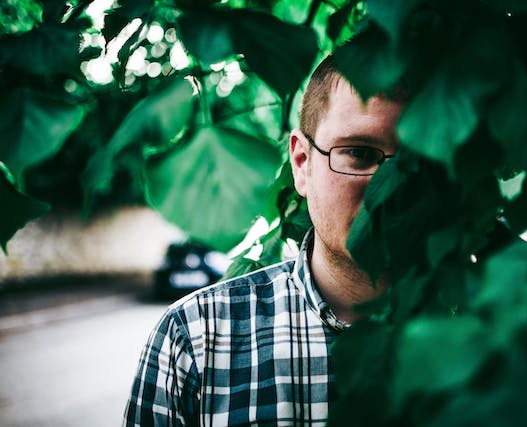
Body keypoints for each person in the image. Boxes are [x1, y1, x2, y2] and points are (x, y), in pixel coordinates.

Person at [123, 54, 404, 426]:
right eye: (358, 153)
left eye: (417, 160)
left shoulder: (498, 325)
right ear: (302, 163)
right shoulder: (194, 339)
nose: (388, 189)